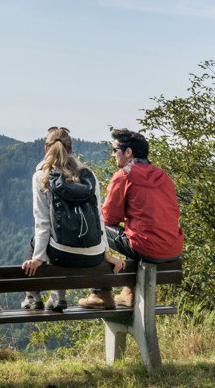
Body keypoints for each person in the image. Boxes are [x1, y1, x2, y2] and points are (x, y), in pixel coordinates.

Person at [77, 128, 184, 310]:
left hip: (148, 248)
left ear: (128, 152)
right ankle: (129, 292)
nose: (113, 155)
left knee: (95, 227)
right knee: (134, 230)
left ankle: (100, 293)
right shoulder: (163, 176)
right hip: (172, 247)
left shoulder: (124, 176)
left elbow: (109, 218)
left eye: (115, 150)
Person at [21, 127, 124, 312]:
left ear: (46, 148)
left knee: (38, 240)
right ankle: (54, 296)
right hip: (95, 255)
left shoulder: (41, 177)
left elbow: (43, 223)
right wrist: (106, 253)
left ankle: (38, 297)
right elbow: (99, 218)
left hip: (63, 256)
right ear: (71, 149)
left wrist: (38, 258)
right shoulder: (89, 176)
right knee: (56, 239)